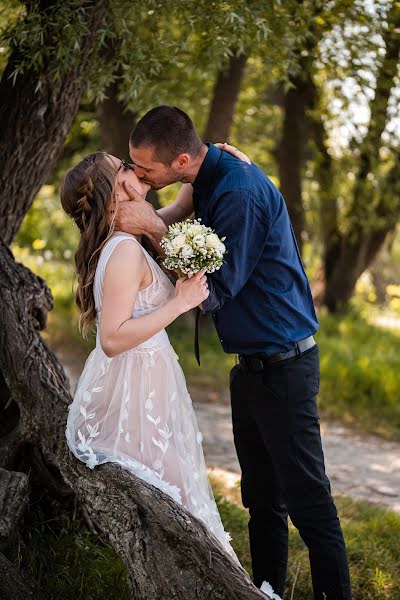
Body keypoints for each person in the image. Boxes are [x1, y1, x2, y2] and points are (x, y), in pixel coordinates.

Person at [116, 105, 352, 600]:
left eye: (145, 169)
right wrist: (156, 216)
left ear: (181, 160)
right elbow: (190, 227)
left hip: (284, 366)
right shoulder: (209, 172)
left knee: (309, 501)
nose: (137, 174)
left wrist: (152, 228)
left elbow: (216, 291)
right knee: (262, 501)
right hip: (250, 369)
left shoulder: (239, 193)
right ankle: (267, 593)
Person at [60, 151, 241, 563]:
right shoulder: (123, 249)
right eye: (123, 166)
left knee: (184, 496)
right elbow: (112, 338)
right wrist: (179, 303)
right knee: (181, 502)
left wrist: (218, 158)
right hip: (136, 391)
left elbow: (179, 204)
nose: (133, 167)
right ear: (112, 194)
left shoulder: (125, 235)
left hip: (150, 381)